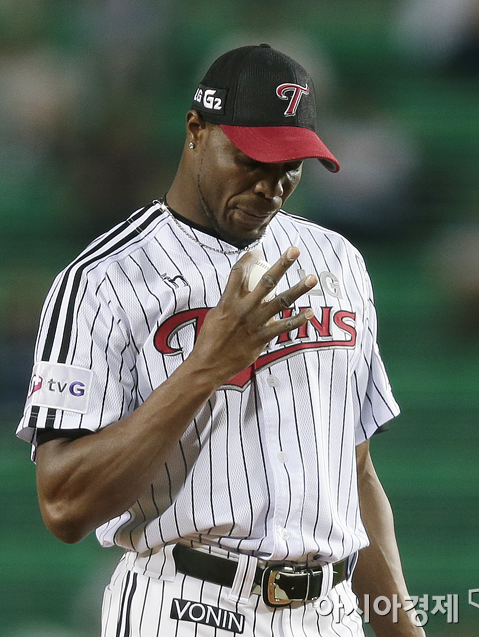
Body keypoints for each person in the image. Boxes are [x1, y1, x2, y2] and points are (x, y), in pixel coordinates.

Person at [17, 44, 426, 636]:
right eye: (252, 160)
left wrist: (403, 628)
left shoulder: (338, 262)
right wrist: (206, 366)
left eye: (290, 166)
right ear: (196, 129)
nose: (271, 186)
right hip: (187, 605)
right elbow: (63, 505)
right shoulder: (103, 282)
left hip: (328, 611)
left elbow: (356, 471)